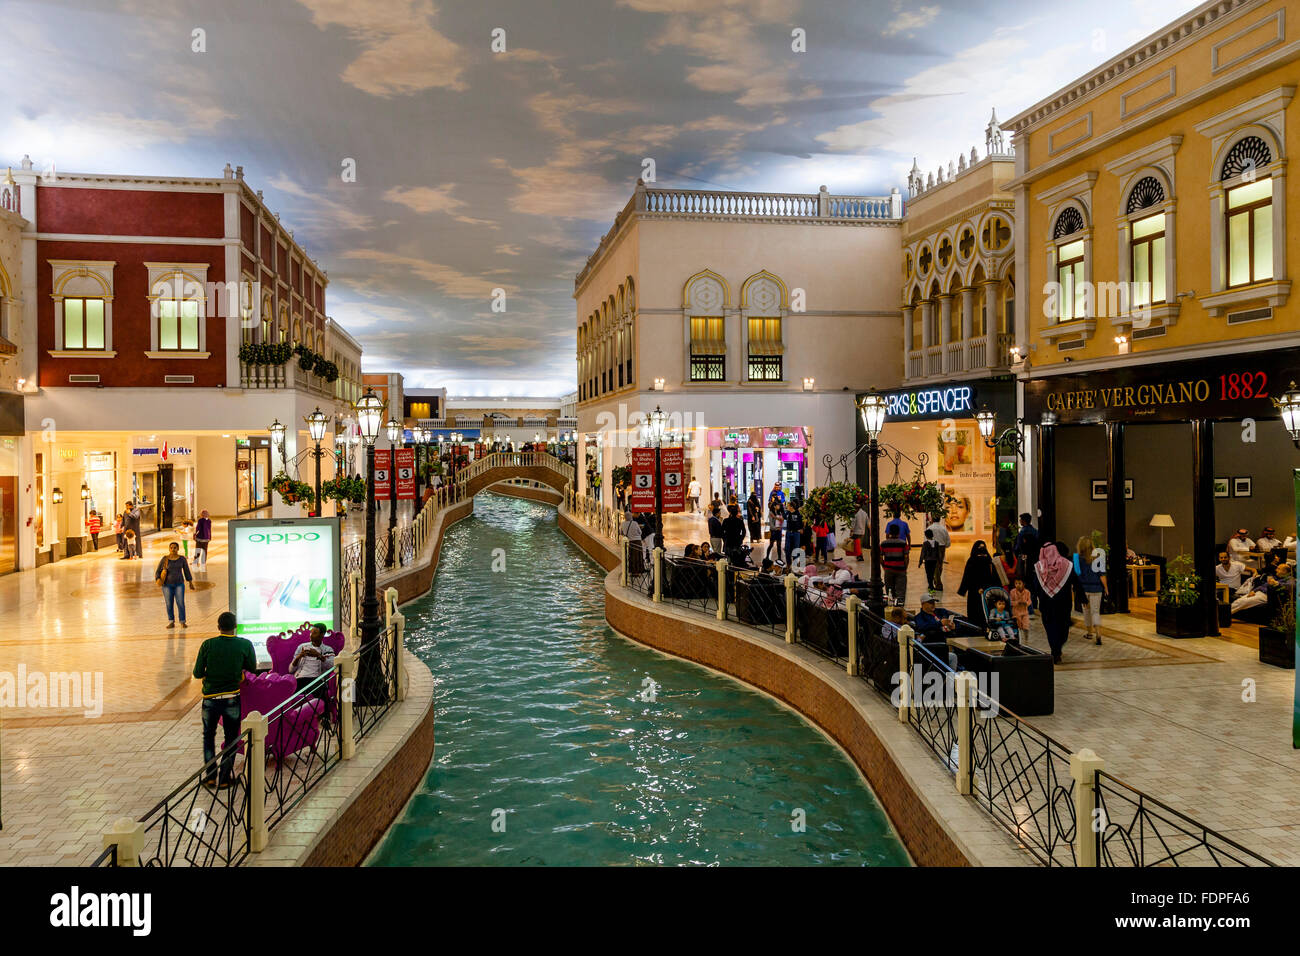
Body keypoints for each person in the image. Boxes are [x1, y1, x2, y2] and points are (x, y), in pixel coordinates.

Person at [192, 611, 256, 788]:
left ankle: (211, 776)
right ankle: (225, 778)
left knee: (208, 736)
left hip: (210, 699)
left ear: (218, 627)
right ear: (235, 626)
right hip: (231, 698)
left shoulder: (208, 645)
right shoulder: (244, 644)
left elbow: (197, 673)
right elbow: (251, 667)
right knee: (231, 738)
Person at [1032, 542, 1075, 664]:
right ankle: (1056, 651)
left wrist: (1035, 598)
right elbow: (1075, 581)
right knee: (1062, 627)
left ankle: (1055, 649)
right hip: (1064, 603)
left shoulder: (1064, 565)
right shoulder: (1066, 566)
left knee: (1051, 627)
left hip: (1046, 604)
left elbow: (1035, 586)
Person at [1074, 535, 1109, 646]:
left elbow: (1077, 574)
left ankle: (1089, 633)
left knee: (1086, 611)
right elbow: (1102, 575)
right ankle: (1098, 633)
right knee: (1095, 611)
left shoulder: (1076, 558)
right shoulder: (1098, 558)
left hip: (1084, 589)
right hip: (1097, 588)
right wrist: (1106, 588)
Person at [957, 540, 998, 627]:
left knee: (980, 609)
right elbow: (967, 576)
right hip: (979, 590)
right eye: (980, 548)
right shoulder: (986, 560)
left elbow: (966, 577)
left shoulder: (976, 560)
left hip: (981, 590)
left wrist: (963, 590)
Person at [156, 541, 194, 629]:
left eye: (175, 548)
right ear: (169, 549)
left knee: (180, 602)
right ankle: (171, 621)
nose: (173, 549)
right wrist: (158, 579)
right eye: (171, 548)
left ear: (178, 549)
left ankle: (182, 621)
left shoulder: (182, 559)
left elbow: (186, 570)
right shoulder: (165, 559)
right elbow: (158, 571)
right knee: (169, 603)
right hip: (166, 585)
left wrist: (190, 582)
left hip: (179, 584)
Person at [290, 623, 336, 694]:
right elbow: (290, 670)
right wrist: (299, 657)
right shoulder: (302, 647)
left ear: (322, 635)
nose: (311, 635)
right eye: (311, 632)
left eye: (314, 633)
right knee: (290, 690)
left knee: (319, 692)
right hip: (300, 678)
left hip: (316, 679)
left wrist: (318, 655)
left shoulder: (327, 649)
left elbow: (332, 666)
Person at [1013, 513, 1041, 608]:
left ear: (1024, 521)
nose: (1020, 521)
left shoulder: (1022, 533)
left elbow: (1018, 547)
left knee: (1026, 580)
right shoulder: (1035, 531)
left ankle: (1028, 602)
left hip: (1024, 559)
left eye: (1021, 520)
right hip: (1035, 558)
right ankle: (1035, 602)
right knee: (1034, 579)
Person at [880, 525, 910, 605]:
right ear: (898, 533)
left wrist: (884, 567)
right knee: (901, 591)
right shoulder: (903, 543)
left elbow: (880, 557)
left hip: (888, 570)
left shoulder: (884, 544)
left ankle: (891, 607)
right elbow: (906, 557)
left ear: (889, 532)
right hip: (901, 570)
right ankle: (899, 607)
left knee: (889, 590)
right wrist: (905, 568)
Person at [925, 514, 950, 589]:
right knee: (939, 565)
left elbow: (926, 539)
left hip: (932, 547)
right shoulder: (943, 528)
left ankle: (938, 583)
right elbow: (948, 541)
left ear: (932, 519)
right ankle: (937, 581)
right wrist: (945, 546)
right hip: (942, 548)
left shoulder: (929, 528)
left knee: (935, 565)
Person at [1009, 577, 1032, 641]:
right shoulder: (1012, 592)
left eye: (1019, 583)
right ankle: (1019, 638)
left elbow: (1029, 601)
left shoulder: (1027, 592)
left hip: (1025, 612)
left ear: (1023, 584)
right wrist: (1017, 602)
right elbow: (1010, 602)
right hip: (1016, 612)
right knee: (1018, 626)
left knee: (1026, 625)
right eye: (1016, 583)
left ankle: (1026, 638)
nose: (1017, 585)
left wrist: (1026, 603)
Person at [783, 501, 804, 567]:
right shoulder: (787, 513)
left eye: (788, 506)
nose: (787, 507)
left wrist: (801, 528)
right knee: (787, 548)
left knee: (796, 549)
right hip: (789, 532)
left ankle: (795, 563)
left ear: (791, 507)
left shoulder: (798, 513)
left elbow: (801, 522)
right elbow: (783, 517)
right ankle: (788, 563)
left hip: (796, 533)